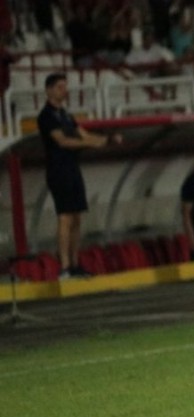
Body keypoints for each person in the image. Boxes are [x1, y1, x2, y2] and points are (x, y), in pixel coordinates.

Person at [36, 73, 122, 279]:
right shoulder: (46, 116)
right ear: (48, 90)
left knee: (76, 218)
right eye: (59, 87)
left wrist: (106, 140)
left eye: (65, 87)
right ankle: (64, 266)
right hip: (58, 170)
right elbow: (63, 141)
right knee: (65, 217)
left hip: (72, 168)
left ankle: (74, 264)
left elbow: (83, 134)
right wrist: (92, 143)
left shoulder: (65, 115)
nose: (64, 91)